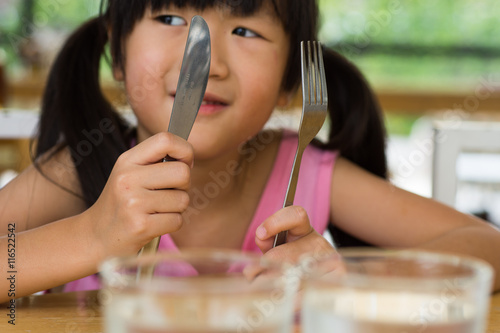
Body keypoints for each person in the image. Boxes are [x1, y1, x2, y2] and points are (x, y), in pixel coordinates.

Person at [1, 0, 499, 302]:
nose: (209, 59)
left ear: (290, 82)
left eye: (245, 31)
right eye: (171, 16)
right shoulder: (83, 169)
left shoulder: (309, 172)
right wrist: (90, 236)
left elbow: (487, 247)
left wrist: (355, 280)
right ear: (117, 53)